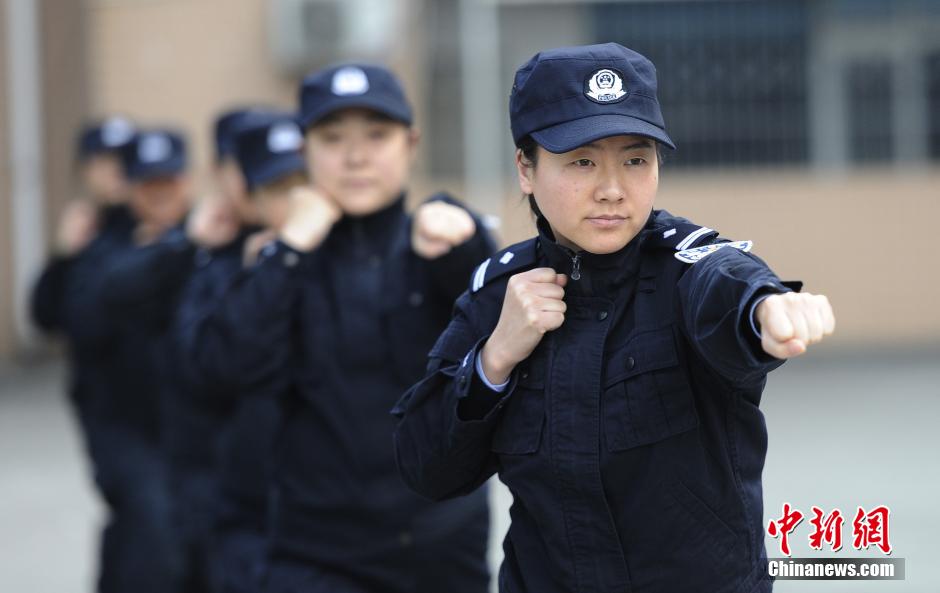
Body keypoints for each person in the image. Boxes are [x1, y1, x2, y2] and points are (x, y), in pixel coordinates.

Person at [392, 42, 836, 593]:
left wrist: (766, 310)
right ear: (525, 169)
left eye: (635, 159)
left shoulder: (687, 265)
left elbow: (726, 287)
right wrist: (495, 358)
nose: (612, 189)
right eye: (581, 161)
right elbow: (425, 467)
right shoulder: (499, 295)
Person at [188, 63, 496, 593]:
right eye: (332, 139)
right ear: (305, 151)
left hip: (441, 549)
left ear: (411, 143)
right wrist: (289, 250)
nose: (356, 157)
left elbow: (504, 340)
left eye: (377, 135)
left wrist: (466, 248)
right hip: (315, 553)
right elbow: (221, 370)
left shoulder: (443, 243)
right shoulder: (281, 261)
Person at [184, 109, 308, 593]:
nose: (297, 200)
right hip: (249, 508)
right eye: (279, 188)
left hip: (342, 520)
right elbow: (203, 374)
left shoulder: (363, 258)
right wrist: (264, 278)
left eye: (304, 182)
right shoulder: (226, 266)